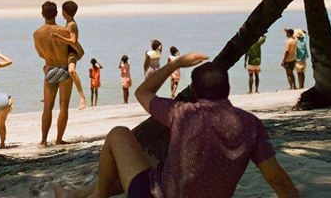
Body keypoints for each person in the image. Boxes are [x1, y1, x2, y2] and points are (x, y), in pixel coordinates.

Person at [53, 54, 299, 198]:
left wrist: (176, 64)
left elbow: (143, 92)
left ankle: (97, 196)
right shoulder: (250, 124)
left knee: (119, 135)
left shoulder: (182, 112)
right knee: (149, 160)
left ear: (193, 91)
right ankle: (80, 194)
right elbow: (277, 178)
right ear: (227, 89)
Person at [33, 1, 74, 146]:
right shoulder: (63, 31)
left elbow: (40, 54)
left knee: (47, 107)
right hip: (63, 69)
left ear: (42, 14)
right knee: (64, 106)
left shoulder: (37, 34)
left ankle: (43, 140)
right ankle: (58, 139)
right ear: (56, 13)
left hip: (50, 70)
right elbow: (74, 50)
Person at [51, 0, 87, 110]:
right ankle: (50, 96)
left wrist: (58, 37)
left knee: (72, 71)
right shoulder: (68, 23)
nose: (62, 13)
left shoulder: (72, 24)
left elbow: (73, 41)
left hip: (73, 51)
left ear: (66, 12)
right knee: (50, 68)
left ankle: (82, 97)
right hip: (66, 51)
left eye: (63, 11)